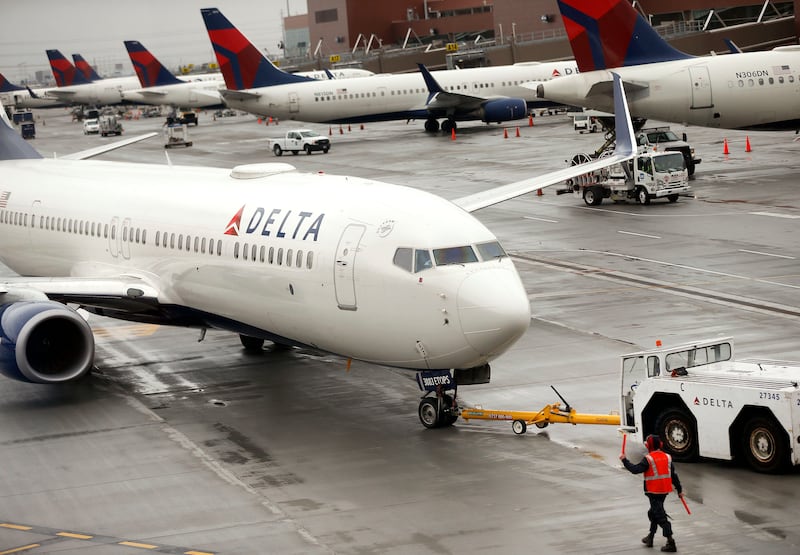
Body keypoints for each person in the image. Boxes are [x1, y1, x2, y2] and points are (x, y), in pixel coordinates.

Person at [620, 434, 684, 552]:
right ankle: (650, 537)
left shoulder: (648, 459)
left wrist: (624, 460)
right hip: (664, 491)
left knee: (660, 516)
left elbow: (635, 470)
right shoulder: (667, 457)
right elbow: (673, 475)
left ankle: (671, 542)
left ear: (649, 445)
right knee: (654, 512)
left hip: (653, 491)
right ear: (660, 444)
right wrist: (679, 490)